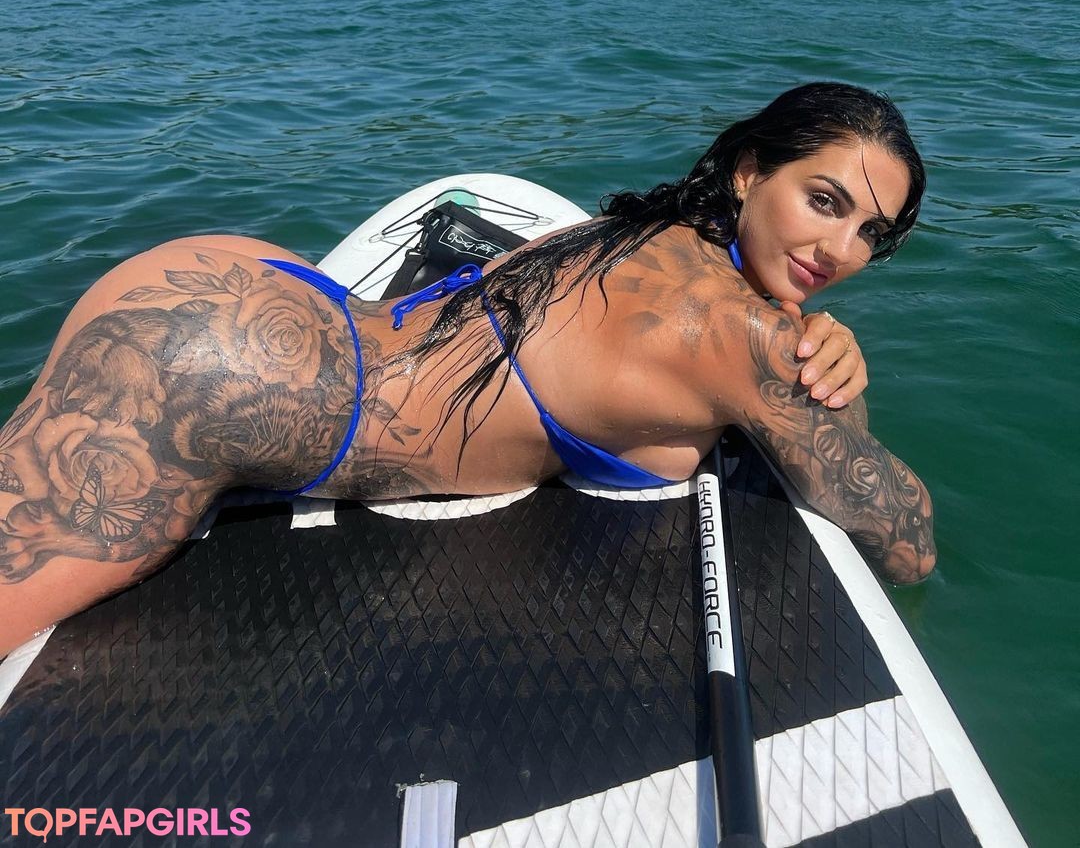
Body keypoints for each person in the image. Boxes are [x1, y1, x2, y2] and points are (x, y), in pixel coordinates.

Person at [0, 82, 935, 658]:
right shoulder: (750, 340)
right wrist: (827, 373)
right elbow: (906, 544)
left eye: (873, 234)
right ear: (749, 172)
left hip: (259, 292)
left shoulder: (647, 227)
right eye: (825, 201)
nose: (840, 251)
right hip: (216, 377)